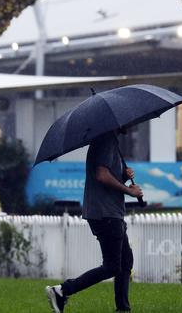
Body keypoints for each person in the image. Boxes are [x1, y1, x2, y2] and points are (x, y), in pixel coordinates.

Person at [46, 130, 143, 313]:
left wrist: (123, 175)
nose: (132, 126)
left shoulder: (108, 140)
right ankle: (62, 290)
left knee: (124, 262)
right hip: (106, 214)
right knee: (112, 266)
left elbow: (106, 175)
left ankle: (123, 308)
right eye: (130, 123)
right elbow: (101, 175)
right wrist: (128, 191)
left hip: (109, 213)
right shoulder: (106, 139)